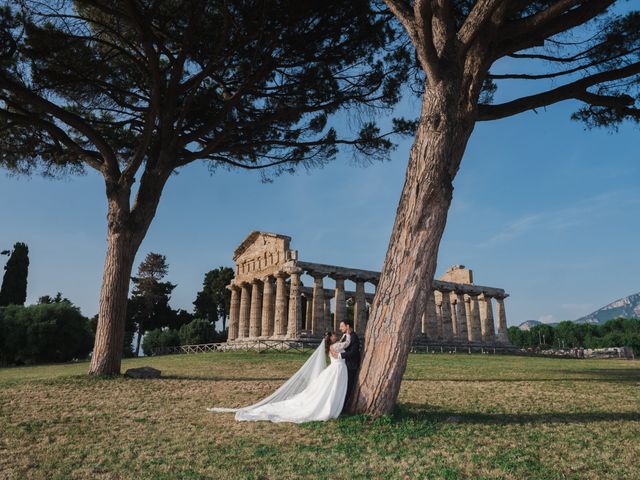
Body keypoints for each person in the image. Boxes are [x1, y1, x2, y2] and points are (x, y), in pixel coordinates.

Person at [207, 331, 349, 423]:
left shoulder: (332, 345)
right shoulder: (333, 346)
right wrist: (348, 335)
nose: (336, 335)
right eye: (334, 335)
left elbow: (341, 344)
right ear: (330, 338)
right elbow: (346, 344)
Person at [329, 319, 361, 413]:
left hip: (351, 366)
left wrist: (340, 355)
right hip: (343, 365)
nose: (340, 328)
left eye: (342, 326)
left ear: (347, 326)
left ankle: (342, 409)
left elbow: (354, 352)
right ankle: (339, 407)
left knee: (348, 387)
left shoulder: (354, 336)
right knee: (342, 386)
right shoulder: (344, 336)